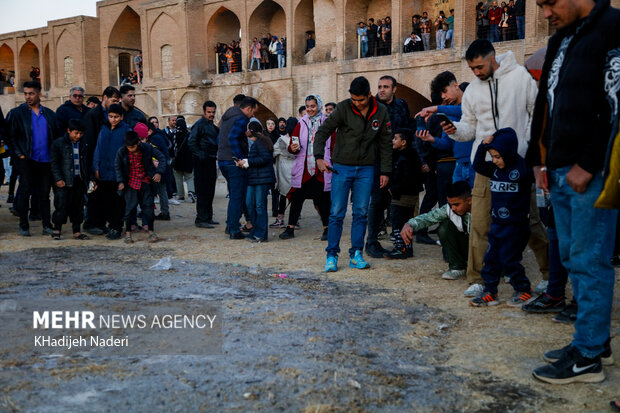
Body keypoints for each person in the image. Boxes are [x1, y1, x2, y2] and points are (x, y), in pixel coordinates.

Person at [527, 0, 620, 384]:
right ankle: (594, 342)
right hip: (560, 168)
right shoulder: (565, 35)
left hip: (589, 172)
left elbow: (616, 103)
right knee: (570, 255)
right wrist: (538, 156)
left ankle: (586, 359)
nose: (545, 13)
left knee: (589, 259)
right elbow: (547, 103)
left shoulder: (613, 27)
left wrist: (590, 161)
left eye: (550, 2)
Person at [442, 39, 548, 298]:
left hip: (518, 165)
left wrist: (527, 150)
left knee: (530, 221)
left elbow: (537, 115)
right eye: (472, 69)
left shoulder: (520, 78)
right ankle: (477, 278)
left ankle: (549, 275)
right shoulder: (473, 91)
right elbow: (470, 127)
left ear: (492, 58)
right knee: (480, 222)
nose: (476, 73)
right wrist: (455, 131)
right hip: (485, 167)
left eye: (479, 66)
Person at [314, 76, 392, 272]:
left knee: (361, 213)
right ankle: (331, 255)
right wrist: (318, 157)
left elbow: (385, 144)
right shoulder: (343, 108)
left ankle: (356, 254)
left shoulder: (381, 112)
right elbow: (323, 131)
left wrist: (385, 171)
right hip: (342, 167)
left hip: (366, 168)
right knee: (336, 213)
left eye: (361, 100)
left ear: (369, 95)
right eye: (354, 100)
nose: (356, 104)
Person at [469, 128, 535, 307]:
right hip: (497, 224)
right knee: (491, 259)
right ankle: (490, 292)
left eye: (498, 156)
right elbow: (477, 165)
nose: (495, 161)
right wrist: (483, 147)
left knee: (509, 260)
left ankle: (523, 289)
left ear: (508, 152)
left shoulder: (522, 168)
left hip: (516, 226)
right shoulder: (494, 170)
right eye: (493, 156)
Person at [366, 75, 418, 259]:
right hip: (378, 161)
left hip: (399, 161)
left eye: (386, 87)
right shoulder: (372, 108)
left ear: (394, 89)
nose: (382, 90)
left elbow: (407, 131)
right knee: (377, 201)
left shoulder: (401, 105)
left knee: (399, 204)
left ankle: (401, 243)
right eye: (379, 86)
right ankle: (371, 241)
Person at [7, 80, 58, 236]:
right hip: (27, 160)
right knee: (24, 193)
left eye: (31, 93)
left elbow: (55, 136)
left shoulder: (49, 114)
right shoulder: (17, 113)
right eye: (26, 93)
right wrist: (20, 155)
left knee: (44, 195)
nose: (28, 97)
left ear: (39, 94)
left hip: (46, 160)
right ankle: (24, 225)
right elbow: (10, 137)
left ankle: (46, 224)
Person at [279, 94, 332, 241]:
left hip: (321, 169)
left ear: (319, 106)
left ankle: (327, 229)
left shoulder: (327, 123)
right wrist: (293, 147)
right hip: (304, 170)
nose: (310, 109)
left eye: (313, 106)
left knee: (323, 200)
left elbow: (333, 145)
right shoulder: (301, 123)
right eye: (308, 106)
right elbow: (292, 146)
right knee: (297, 198)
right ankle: (290, 228)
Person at [402, 181, 472, 279]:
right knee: (445, 227)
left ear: (469, 200)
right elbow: (429, 217)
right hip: (467, 247)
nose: (453, 208)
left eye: (456, 204)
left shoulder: (483, 210)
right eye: (451, 204)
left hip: (485, 250)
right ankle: (457, 267)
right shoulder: (449, 209)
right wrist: (409, 224)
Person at [417, 72, 473, 188]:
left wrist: (436, 108)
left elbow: (463, 110)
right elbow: (447, 144)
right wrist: (431, 139)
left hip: (474, 162)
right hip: (459, 164)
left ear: (455, 85)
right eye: (440, 93)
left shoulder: (471, 102)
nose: (442, 96)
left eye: (444, 91)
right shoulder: (449, 112)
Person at [81, 86, 121, 235]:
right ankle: (91, 223)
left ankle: (101, 222)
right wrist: (93, 166)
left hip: (107, 162)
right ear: (105, 97)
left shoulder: (111, 115)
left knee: (105, 195)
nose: (116, 103)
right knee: (94, 193)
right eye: (114, 100)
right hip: (95, 161)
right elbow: (90, 143)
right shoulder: (93, 115)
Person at [218, 97, 259, 239]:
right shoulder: (241, 118)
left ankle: (230, 225)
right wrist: (239, 158)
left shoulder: (228, 116)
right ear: (248, 109)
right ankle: (234, 230)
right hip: (233, 162)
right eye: (253, 112)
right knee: (237, 196)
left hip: (223, 160)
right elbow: (232, 138)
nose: (253, 115)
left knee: (234, 195)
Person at [116, 130, 165, 243]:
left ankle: (151, 231)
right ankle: (128, 233)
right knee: (129, 209)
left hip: (146, 183)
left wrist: (159, 172)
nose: (131, 150)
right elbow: (117, 167)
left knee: (148, 208)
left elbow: (162, 158)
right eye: (129, 147)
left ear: (138, 143)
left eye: (133, 147)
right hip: (130, 184)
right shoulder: (122, 151)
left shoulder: (147, 148)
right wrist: (120, 181)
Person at [92, 103, 130, 240]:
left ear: (122, 117)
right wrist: (96, 166)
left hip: (118, 174)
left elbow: (128, 153)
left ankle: (117, 227)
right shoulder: (104, 129)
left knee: (118, 202)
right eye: (111, 116)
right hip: (103, 172)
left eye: (116, 117)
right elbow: (98, 148)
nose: (113, 119)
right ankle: (109, 225)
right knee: (106, 201)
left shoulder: (126, 130)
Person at [384, 128, 422, 259]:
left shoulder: (407, 157)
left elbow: (408, 178)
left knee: (399, 222)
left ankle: (402, 249)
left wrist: (393, 188)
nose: (393, 141)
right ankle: (403, 248)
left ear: (404, 142)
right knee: (402, 221)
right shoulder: (404, 155)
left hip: (403, 195)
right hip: (403, 194)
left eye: (395, 138)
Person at [235, 121, 275, 242]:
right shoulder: (257, 142)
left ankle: (261, 234)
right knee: (250, 204)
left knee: (259, 206)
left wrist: (247, 162)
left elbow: (264, 158)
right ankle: (255, 231)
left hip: (261, 179)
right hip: (254, 178)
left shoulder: (261, 142)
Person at [49, 119, 89, 240]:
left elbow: (87, 163)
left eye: (81, 133)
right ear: (68, 131)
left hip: (79, 180)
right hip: (64, 181)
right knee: (61, 205)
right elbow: (54, 163)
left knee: (78, 206)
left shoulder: (84, 144)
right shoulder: (58, 143)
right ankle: (57, 229)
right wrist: (58, 178)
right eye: (75, 133)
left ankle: (76, 231)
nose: (78, 136)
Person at [188, 100, 219, 228]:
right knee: (202, 191)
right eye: (209, 112)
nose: (211, 114)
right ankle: (201, 219)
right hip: (202, 162)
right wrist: (200, 155)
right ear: (204, 112)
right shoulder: (199, 125)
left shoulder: (212, 126)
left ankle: (208, 217)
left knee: (210, 190)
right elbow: (191, 142)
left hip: (211, 160)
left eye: (213, 112)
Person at [271, 117, 297, 228]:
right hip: (296, 171)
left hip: (285, 172)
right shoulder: (298, 140)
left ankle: (280, 219)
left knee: (284, 195)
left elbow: (273, 152)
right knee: (295, 196)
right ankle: (294, 221)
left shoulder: (282, 140)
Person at [145, 122, 172, 221]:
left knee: (161, 191)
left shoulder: (154, 138)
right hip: (164, 167)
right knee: (162, 191)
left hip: (160, 168)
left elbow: (156, 154)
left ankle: (165, 212)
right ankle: (165, 212)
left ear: (149, 130)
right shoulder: (160, 135)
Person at [171, 116, 195, 202]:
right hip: (188, 160)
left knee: (178, 178)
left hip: (178, 160)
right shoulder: (189, 133)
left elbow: (173, 147)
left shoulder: (174, 133)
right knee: (190, 177)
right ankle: (191, 193)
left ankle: (180, 195)